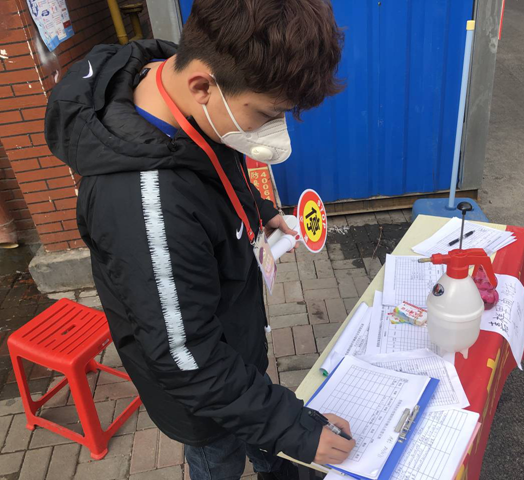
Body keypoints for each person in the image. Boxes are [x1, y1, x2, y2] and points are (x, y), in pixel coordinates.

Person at [44, 1, 355, 479]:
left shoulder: (177, 81)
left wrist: (260, 210)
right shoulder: (144, 207)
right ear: (202, 87)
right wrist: (295, 427)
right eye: (267, 113)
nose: (271, 130)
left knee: (259, 422)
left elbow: (213, 168)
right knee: (219, 458)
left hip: (234, 352)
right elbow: (187, 357)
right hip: (200, 397)